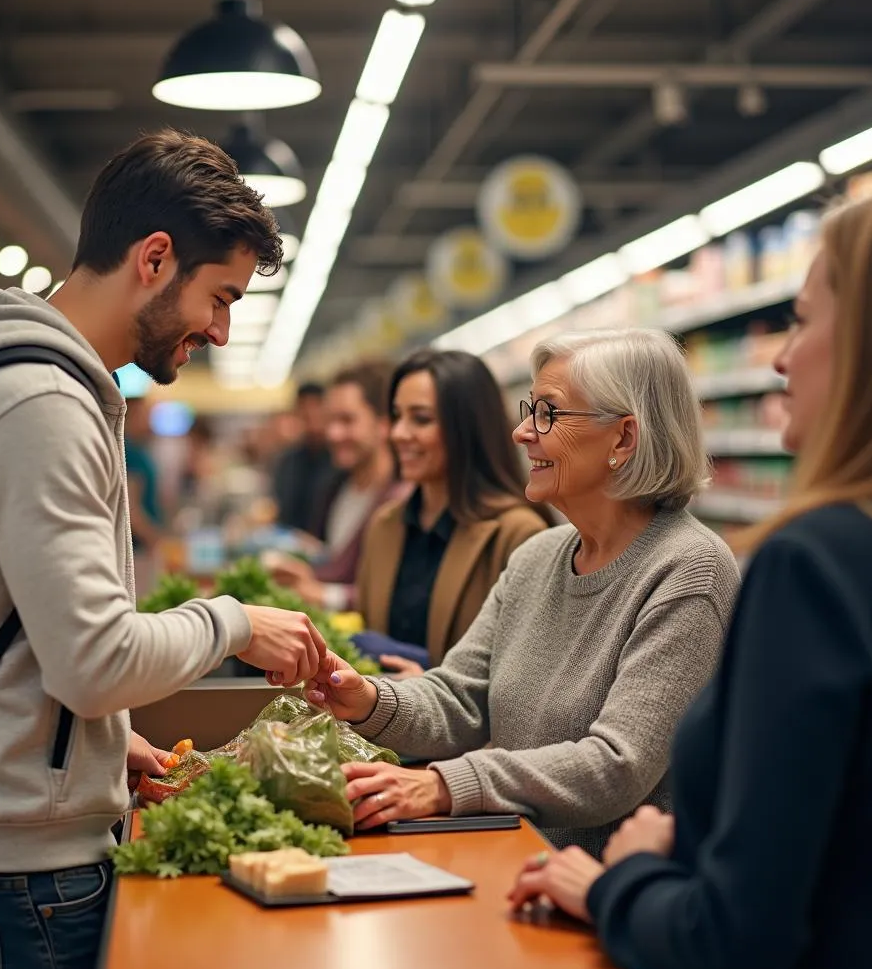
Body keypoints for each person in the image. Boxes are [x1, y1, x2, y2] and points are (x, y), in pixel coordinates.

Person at [0, 129, 330, 969]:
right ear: (154, 257)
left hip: (16, 850)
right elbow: (94, 662)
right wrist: (236, 621)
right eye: (220, 297)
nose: (220, 328)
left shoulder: (41, 391)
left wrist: (104, 749)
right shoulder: (40, 406)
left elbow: (22, 635)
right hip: (23, 875)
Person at [508, 191, 872, 969]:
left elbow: (737, 937)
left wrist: (622, 879)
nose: (784, 359)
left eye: (803, 320)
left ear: (871, 344)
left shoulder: (818, 565)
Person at [307, 329, 740, 853]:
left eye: (549, 414)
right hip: (514, 863)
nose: (521, 432)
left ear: (623, 438)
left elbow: (615, 766)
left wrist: (446, 785)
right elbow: (461, 697)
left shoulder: (688, 571)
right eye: (529, 409)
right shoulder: (538, 557)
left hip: (604, 897)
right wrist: (367, 697)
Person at [351, 349, 551, 677]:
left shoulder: (517, 534)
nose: (399, 433)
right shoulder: (385, 525)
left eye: (421, 419)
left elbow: (527, 680)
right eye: (396, 415)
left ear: (467, 428)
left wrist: (429, 689)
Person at [268, 360, 406, 611]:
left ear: (383, 425)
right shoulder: (334, 490)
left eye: (347, 420)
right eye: (330, 420)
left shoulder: (401, 501)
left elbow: (396, 595)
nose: (333, 433)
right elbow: (337, 566)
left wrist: (322, 594)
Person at [271, 382, 335, 533]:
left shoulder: (340, 461)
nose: (311, 419)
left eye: (316, 410)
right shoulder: (288, 461)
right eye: (305, 412)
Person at [123, 393, 164, 550]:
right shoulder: (129, 452)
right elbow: (130, 506)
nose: (149, 421)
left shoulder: (139, 449)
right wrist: (154, 539)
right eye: (145, 414)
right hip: (137, 546)